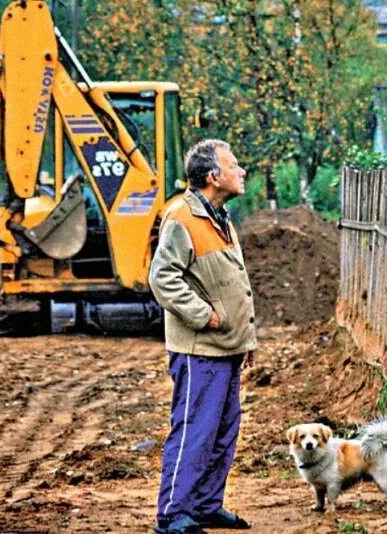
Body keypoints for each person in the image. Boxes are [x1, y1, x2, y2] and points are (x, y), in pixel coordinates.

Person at [150, 139, 256, 534]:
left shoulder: (220, 216)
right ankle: (173, 513)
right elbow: (162, 278)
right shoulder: (182, 216)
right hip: (200, 348)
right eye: (234, 165)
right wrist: (204, 315)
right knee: (196, 428)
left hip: (226, 346)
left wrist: (246, 341)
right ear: (213, 176)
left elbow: (235, 282)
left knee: (223, 430)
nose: (241, 171)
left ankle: (206, 505)